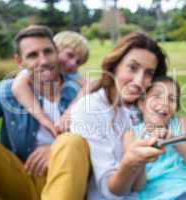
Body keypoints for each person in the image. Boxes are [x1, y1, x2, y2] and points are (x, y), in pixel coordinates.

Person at [0, 25, 90, 200]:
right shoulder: (8, 91)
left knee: (71, 142)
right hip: (21, 178)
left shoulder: (79, 92)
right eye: (33, 55)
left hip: (67, 182)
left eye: (48, 52)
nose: (43, 61)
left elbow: (102, 142)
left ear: (56, 52)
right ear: (20, 62)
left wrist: (56, 150)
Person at [70, 32, 168, 199]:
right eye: (132, 67)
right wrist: (130, 161)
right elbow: (110, 191)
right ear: (115, 66)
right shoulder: (89, 109)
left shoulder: (139, 110)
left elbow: (139, 185)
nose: (139, 81)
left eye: (149, 73)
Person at [123, 76, 186, 200]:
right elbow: (137, 187)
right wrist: (142, 157)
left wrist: (174, 140)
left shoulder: (179, 123)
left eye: (172, 99)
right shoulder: (132, 135)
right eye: (157, 96)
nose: (164, 103)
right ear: (141, 103)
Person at [11, 30, 91, 136]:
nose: (72, 63)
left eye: (78, 62)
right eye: (69, 55)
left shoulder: (70, 76)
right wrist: (43, 119)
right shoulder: (32, 72)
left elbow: (90, 85)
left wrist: (69, 112)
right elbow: (17, 86)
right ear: (55, 49)